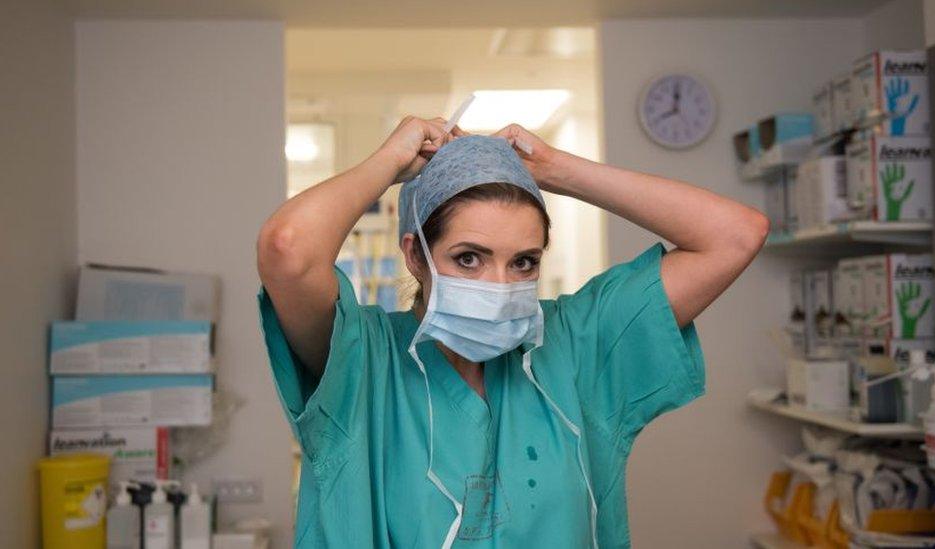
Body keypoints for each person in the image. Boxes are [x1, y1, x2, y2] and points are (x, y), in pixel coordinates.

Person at [256, 116, 769, 548]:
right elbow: (288, 248)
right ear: (416, 256)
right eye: (469, 258)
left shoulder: (573, 345)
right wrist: (389, 161)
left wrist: (558, 170)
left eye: (523, 262)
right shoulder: (361, 359)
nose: (499, 286)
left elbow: (735, 235)